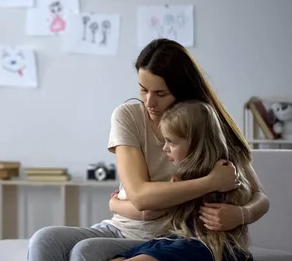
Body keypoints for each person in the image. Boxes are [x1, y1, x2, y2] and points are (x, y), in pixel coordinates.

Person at [27, 39, 269, 261]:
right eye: (143, 89)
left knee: (85, 251)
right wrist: (211, 181)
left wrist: (240, 215)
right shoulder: (128, 116)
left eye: (160, 94)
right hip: (120, 227)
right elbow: (141, 197)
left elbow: (259, 196)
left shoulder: (205, 124)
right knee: (44, 239)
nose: (149, 102)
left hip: (168, 235)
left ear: (182, 91)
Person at [111, 100, 254, 261]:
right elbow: (153, 207)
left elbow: (150, 210)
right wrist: (115, 204)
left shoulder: (226, 176)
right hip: (175, 240)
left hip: (207, 246)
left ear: (196, 143)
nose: (165, 148)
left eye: (171, 142)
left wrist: (114, 204)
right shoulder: (181, 178)